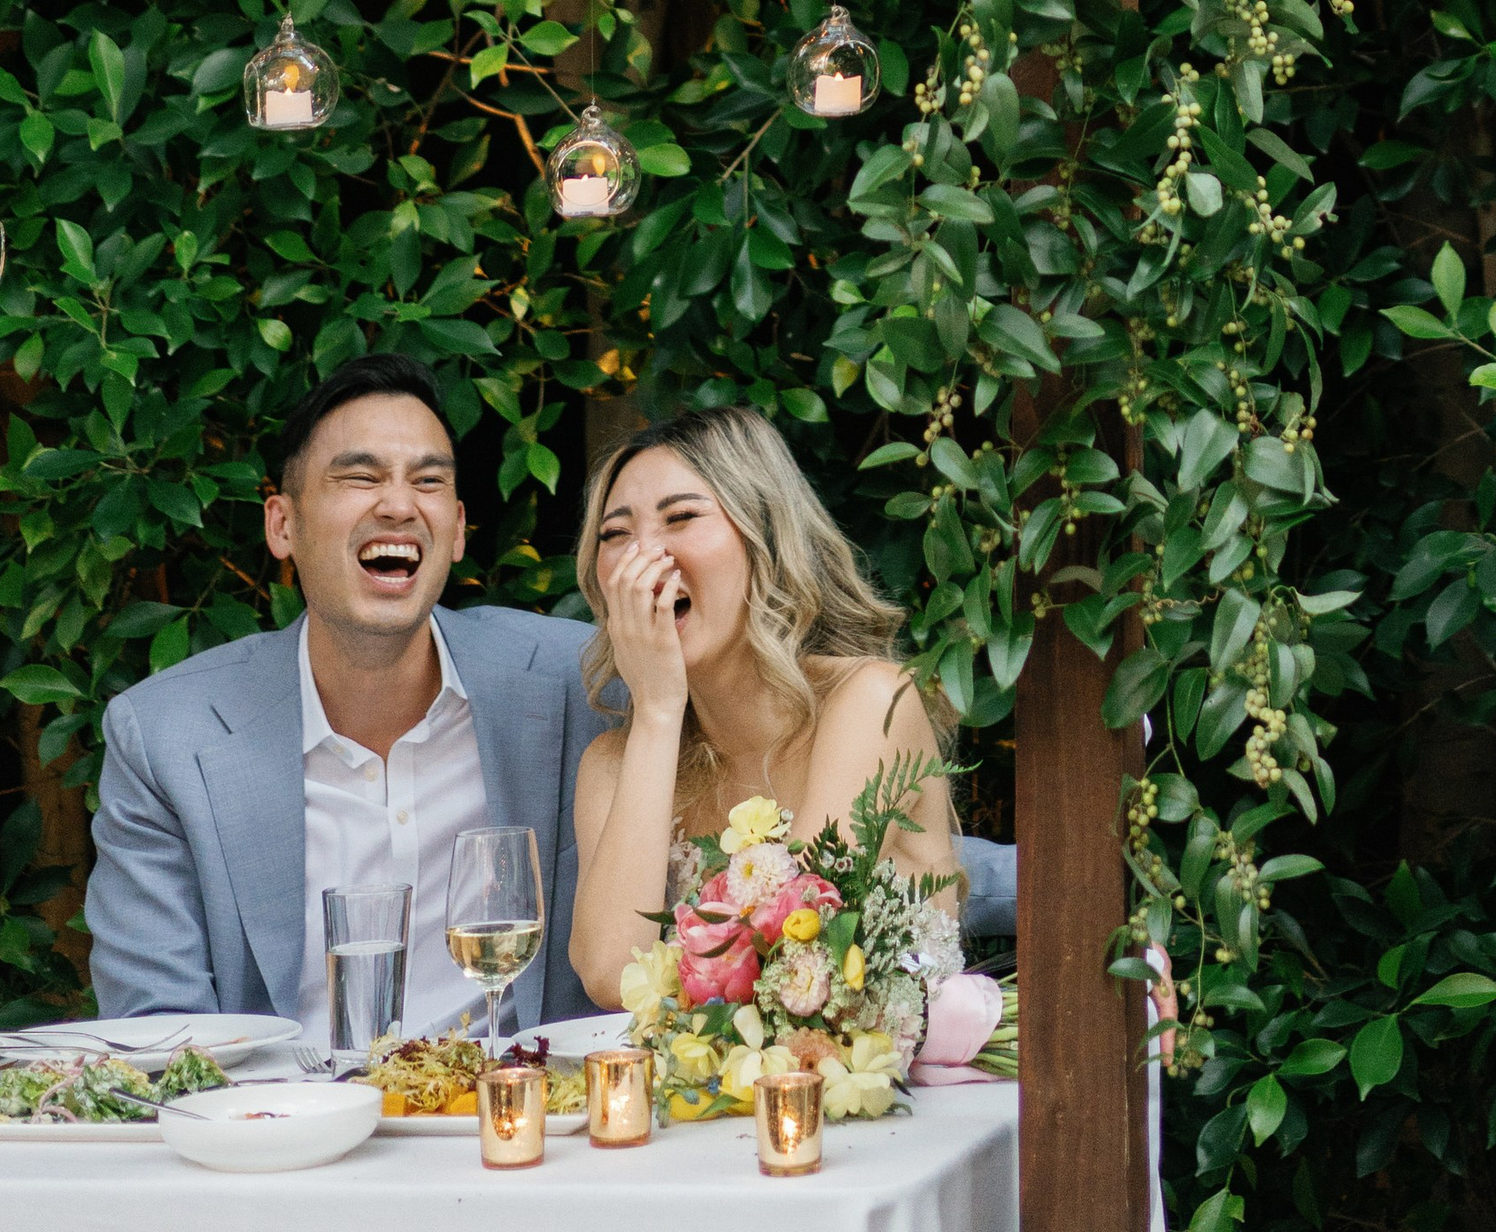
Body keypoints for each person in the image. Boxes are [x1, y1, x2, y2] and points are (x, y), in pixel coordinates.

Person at [90, 350, 612, 1038]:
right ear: (283, 525)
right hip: (289, 1127)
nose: (398, 504)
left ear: (457, 531)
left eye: (428, 482)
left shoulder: (583, 684)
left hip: (513, 1126)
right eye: (360, 477)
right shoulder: (166, 737)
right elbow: (154, 1026)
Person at [569, 406, 965, 1007]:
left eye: (681, 518)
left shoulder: (874, 703)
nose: (641, 560)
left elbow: (790, 947)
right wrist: (654, 711)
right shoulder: (613, 764)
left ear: (767, 541)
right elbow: (607, 975)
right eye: (616, 534)